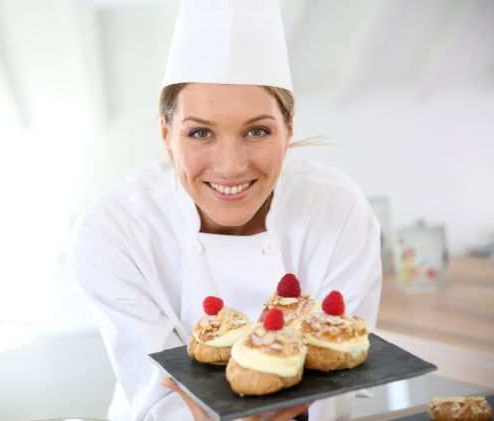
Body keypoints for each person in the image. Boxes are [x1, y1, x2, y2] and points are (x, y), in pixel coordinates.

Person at [72, 1, 382, 420]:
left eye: (258, 131)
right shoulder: (114, 230)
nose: (231, 165)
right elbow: (158, 395)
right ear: (166, 134)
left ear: (289, 129)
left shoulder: (338, 209)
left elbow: (341, 373)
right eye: (200, 132)